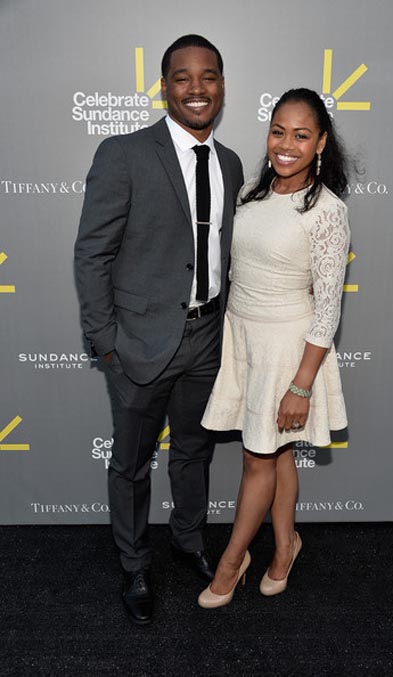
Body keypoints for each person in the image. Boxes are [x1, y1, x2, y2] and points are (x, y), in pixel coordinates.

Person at [74, 34, 243, 625]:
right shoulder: (124, 153)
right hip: (138, 343)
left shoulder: (229, 162)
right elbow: (92, 253)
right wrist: (105, 340)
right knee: (132, 462)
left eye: (209, 76)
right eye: (182, 77)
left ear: (222, 85)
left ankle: (189, 541)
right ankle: (133, 561)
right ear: (165, 86)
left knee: (193, 453)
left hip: (206, 337)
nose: (197, 88)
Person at [198, 88, 350, 608]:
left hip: (289, 347)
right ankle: (286, 546)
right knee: (277, 452)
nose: (286, 144)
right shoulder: (250, 194)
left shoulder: (327, 211)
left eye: (301, 135)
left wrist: (300, 385)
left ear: (321, 143)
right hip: (243, 336)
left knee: (257, 458)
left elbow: (328, 309)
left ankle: (231, 561)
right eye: (278, 131)